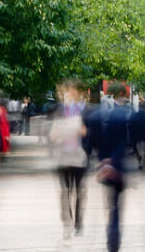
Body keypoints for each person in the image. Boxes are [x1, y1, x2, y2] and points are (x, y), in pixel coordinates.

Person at [85, 82, 136, 252]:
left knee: (110, 204)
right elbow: (127, 143)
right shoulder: (124, 115)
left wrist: (102, 160)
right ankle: (115, 240)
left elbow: (89, 143)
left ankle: (111, 239)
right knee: (116, 208)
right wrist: (114, 160)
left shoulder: (94, 116)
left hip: (103, 167)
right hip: (119, 167)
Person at [49, 79, 89, 239]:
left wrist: (86, 132)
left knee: (80, 192)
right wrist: (54, 135)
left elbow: (94, 133)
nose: (71, 93)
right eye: (68, 90)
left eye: (74, 91)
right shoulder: (58, 110)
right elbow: (51, 133)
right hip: (62, 156)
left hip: (79, 156)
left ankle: (78, 224)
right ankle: (67, 223)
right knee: (65, 192)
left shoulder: (86, 111)